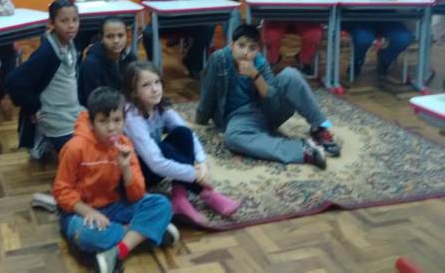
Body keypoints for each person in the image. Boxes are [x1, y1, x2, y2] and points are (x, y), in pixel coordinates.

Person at [53, 87, 179, 273]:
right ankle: (142, 234)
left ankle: (119, 250)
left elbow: (137, 195)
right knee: (86, 236)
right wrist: (88, 211)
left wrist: (125, 168)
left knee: (162, 204)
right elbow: (61, 190)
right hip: (79, 212)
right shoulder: (74, 148)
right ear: (91, 123)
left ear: (124, 121)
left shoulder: (124, 145)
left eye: (117, 120)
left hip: (115, 206)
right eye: (103, 121)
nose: (111, 127)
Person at [196, 24, 340, 169]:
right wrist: (201, 118)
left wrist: (255, 75)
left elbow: (272, 99)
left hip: (266, 111)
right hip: (239, 119)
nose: (246, 52)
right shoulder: (219, 59)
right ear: (232, 45)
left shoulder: (260, 62)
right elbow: (208, 91)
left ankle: (320, 127)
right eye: (241, 45)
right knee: (232, 137)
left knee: (291, 75)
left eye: (252, 48)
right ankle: (304, 150)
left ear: (258, 50)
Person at [123, 62, 241, 226]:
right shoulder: (132, 118)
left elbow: (188, 134)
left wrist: (201, 162)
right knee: (164, 149)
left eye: (157, 82)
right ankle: (207, 193)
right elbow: (155, 163)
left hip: (151, 165)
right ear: (134, 92)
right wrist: (194, 174)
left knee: (182, 134)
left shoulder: (159, 106)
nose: (155, 89)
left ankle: (179, 198)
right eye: (146, 85)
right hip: (136, 174)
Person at [4, 0, 83, 155]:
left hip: (72, 110)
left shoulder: (71, 43)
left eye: (75, 20)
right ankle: (41, 139)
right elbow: (13, 81)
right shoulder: (47, 52)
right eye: (64, 21)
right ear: (51, 24)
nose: (71, 25)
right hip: (55, 116)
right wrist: (33, 107)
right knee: (78, 153)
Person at [142, 0, 209, 77]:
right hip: (160, 23)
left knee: (207, 27)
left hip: (181, 21)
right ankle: (153, 68)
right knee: (148, 33)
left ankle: (192, 61)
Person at [78, 16, 137, 106]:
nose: (116, 40)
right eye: (110, 36)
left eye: (120, 35)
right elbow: (93, 100)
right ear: (101, 38)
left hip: (124, 106)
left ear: (126, 36)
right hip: (100, 109)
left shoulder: (130, 57)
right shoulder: (91, 64)